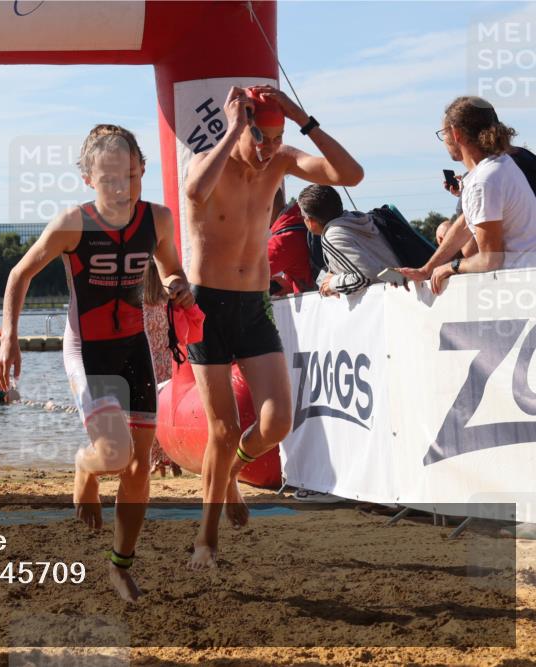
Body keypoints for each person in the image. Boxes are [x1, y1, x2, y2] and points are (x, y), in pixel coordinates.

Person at [0, 124, 194, 601]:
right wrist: (9, 340)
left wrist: (177, 285)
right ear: (89, 179)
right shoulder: (72, 224)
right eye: (108, 180)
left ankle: (120, 566)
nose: (121, 188)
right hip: (88, 350)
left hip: (133, 349)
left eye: (129, 176)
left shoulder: (159, 219)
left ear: (141, 168)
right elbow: (18, 274)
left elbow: (171, 268)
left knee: (139, 465)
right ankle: (85, 469)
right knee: (113, 454)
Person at [183, 85, 364, 569]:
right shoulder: (209, 160)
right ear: (240, 127)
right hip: (207, 307)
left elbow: (351, 175)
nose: (266, 149)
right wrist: (234, 132)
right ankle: (205, 539)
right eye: (259, 138)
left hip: (253, 304)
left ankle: (229, 477)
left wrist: (302, 119)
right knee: (221, 430)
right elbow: (194, 192)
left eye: (274, 137)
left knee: (277, 423)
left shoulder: (281, 159)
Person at [400, 97, 536, 292]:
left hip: (521, 288)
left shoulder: (483, 180)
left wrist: (452, 267)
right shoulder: (499, 162)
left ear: (455, 134)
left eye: (443, 134)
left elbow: (490, 259)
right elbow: (465, 223)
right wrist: (427, 269)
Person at [296, 184, 401, 297]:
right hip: (403, 291)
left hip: (388, 300)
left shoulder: (333, 236)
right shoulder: (357, 220)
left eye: (303, 217)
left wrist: (332, 284)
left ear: (311, 220)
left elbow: (365, 276)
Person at [142, 263, 181, 477]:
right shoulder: (169, 301)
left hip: (149, 361)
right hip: (170, 360)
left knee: (151, 411)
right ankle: (173, 457)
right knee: (170, 409)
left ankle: (157, 459)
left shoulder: (140, 303)